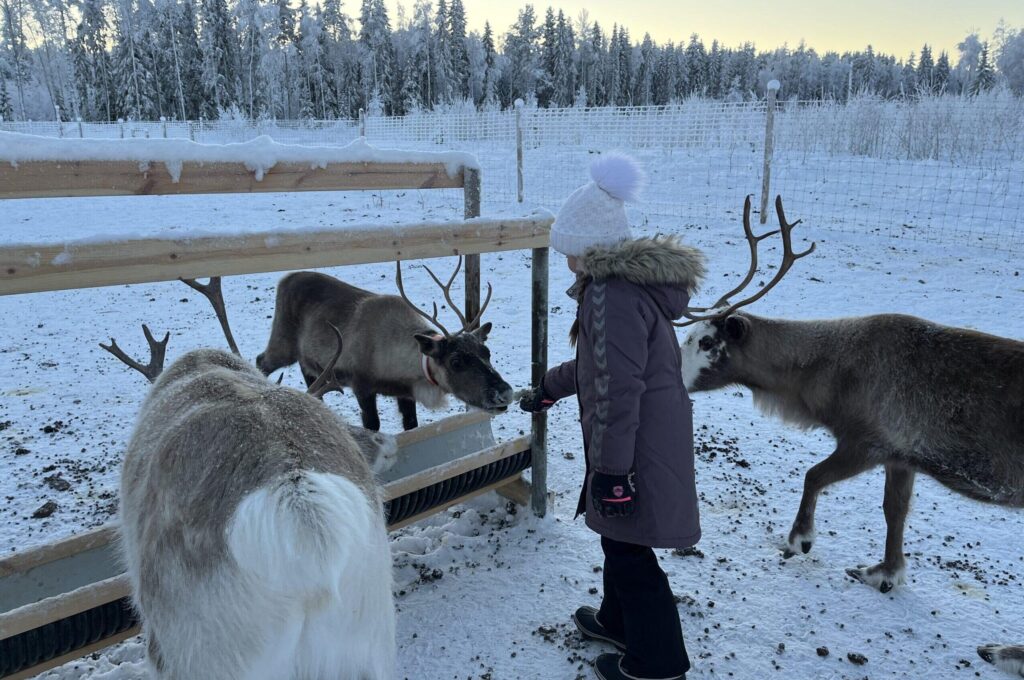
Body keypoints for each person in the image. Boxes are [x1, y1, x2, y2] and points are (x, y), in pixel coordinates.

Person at [520, 154, 705, 680]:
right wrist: (552, 389)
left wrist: (612, 472)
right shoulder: (625, 289)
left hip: (635, 442)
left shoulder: (608, 295)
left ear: (590, 249)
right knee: (620, 537)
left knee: (627, 546)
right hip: (651, 433)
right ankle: (616, 619)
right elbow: (602, 364)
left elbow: (615, 388)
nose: (567, 261)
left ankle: (659, 661)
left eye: (570, 251)